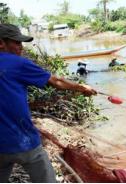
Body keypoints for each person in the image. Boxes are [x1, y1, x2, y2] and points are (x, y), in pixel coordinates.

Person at [0, 24, 97, 182]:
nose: (21, 47)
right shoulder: (17, 63)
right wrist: (81, 87)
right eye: (16, 43)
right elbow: (56, 81)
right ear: (1, 43)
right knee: (46, 178)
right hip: (22, 141)